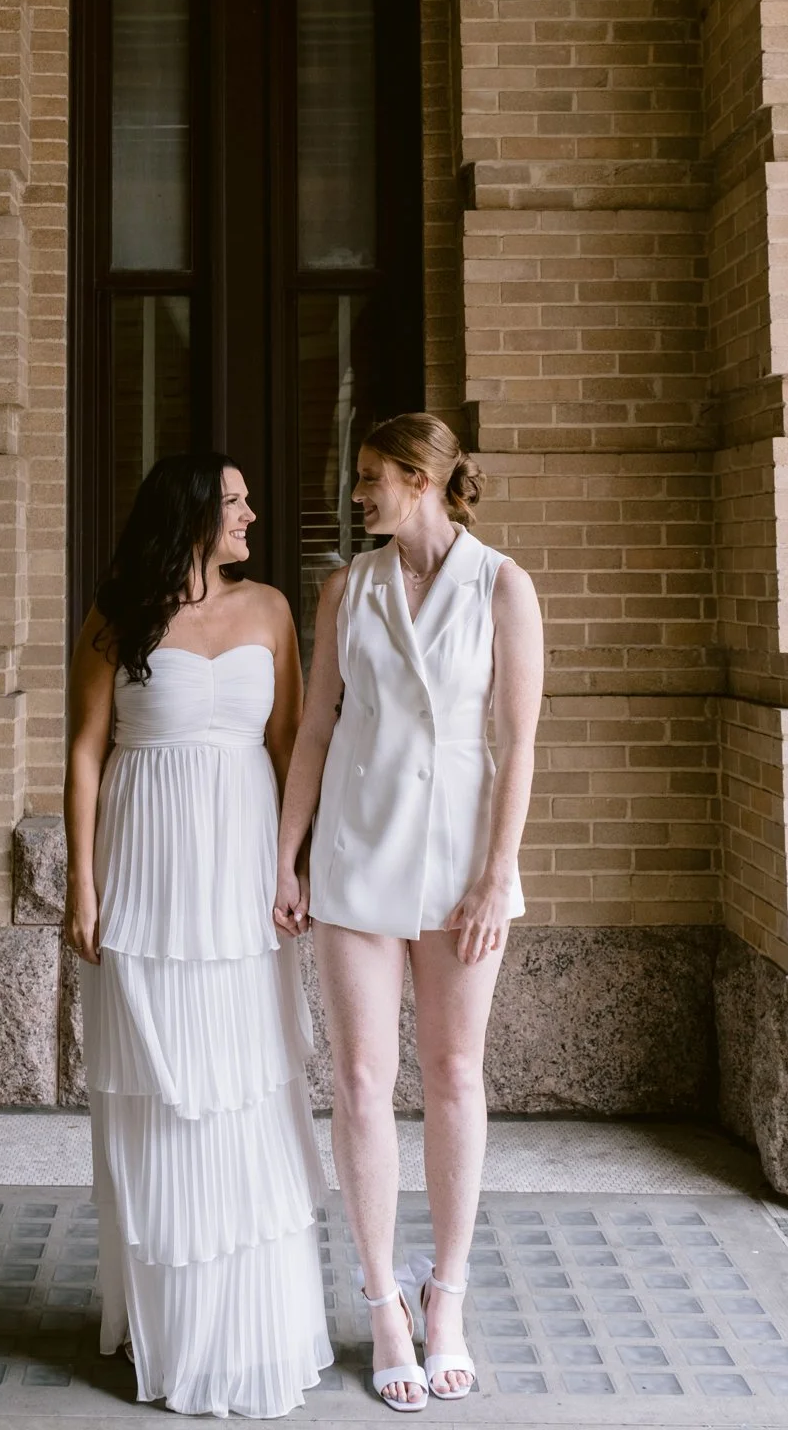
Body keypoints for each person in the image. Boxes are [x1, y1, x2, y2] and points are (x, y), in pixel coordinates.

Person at [275, 413, 542, 1412]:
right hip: (353, 855)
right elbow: (312, 730)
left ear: (421, 478)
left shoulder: (502, 585)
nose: (358, 493)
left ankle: (447, 1296)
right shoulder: (347, 589)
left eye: (371, 476)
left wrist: (493, 872)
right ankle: (381, 1294)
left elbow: (516, 742)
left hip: (464, 864)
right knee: (356, 1076)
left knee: (456, 1071)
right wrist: (283, 854)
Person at [64, 453, 332, 1418]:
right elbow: (86, 757)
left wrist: (293, 868)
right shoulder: (115, 618)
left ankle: (248, 1321)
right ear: (188, 514)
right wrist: (83, 887)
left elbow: (293, 746)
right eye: (234, 501)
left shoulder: (268, 611)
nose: (251, 513)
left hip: (241, 890)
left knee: (244, 1090)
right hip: (148, 883)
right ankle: (169, 1323)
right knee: (161, 1097)